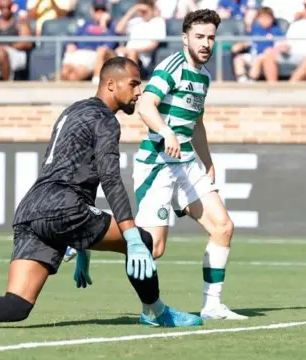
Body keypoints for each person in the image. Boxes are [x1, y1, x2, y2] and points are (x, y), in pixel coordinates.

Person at [0, 57, 202, 331]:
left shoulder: (72, 111)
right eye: (134, 84)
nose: (139, 91)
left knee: (15, 306)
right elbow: (109, 178)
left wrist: (84, 245)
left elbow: (74, 171)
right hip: (65, 207)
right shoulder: (105, 119)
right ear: (111, 85)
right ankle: (156, 313)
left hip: (32, 208)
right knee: (144, 242)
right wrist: (129, 234)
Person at [78, 9, 248, 321]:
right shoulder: (172, 67)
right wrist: (166, 131)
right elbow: (145, 104)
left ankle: (212, 305)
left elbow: (196, 123)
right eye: (199, 37)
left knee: (222, 227)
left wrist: (207, 161)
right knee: (153, 248)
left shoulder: (205, 77)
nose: (206, 43)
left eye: (211, 37)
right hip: (158, 163)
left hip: (186, 162)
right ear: (185, 38)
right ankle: (84, 236)